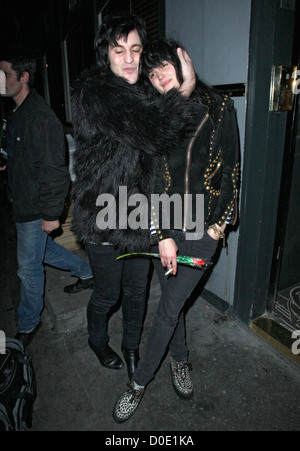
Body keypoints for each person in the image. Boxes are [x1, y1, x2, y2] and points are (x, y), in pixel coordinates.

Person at [113, 38, 240, 423]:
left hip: (203, 231)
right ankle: (180, 360)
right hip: (162, 227)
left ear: (182, 61)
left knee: (168, 309)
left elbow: (232, 170)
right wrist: (160, 234)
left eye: (164, 66)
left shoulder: (219, 108)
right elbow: (147, 182)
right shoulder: (156, 117)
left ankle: (138, 384)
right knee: (175, 305)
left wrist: (218, 228)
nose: (158, 76)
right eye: (151, 73)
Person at [70, 15, 197, 379]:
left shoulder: (142, 91)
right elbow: (156, 131)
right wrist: (184, 88)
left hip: (139, 214)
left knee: (138, 291)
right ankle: (97, 339)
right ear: (105, 53)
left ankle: (130, 346)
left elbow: (164, 153)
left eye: (135, 50)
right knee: (109, 295)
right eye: (118, 49)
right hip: (102, 216)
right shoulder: (95, 92)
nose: (128, 59)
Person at [0, 50, 94, 347]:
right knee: (40, 253)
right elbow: (26, 157)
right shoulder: (17, 112)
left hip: (35, 206)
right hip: (24, 202)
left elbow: (55, 170)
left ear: (23, 77)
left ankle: (29, 324)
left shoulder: (39, 116)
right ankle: (87, 271)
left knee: (27, 267)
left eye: (5, 75)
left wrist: (52, 213)